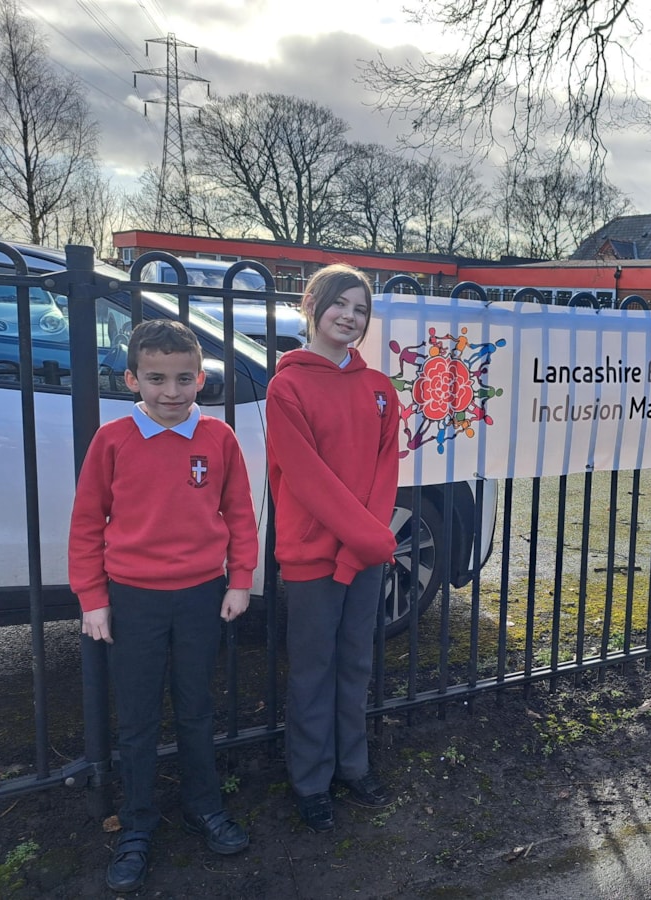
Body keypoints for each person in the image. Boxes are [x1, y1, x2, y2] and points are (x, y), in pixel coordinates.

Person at [69, 319, 256, 893]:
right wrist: (93, 598)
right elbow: (86, 524)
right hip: (133, 599)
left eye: (183, 379)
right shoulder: (113, 440)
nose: (171, 392)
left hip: (201, 594)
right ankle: (137, 825)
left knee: (197, 707)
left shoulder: (220, 439)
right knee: (139, 718)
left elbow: (241, 514)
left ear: (201, 379)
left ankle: (204, 806)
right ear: (132, 379)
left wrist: (240, 579)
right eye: (156, 378)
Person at [266, 263, 399, 833]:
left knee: (357, 663)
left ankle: (353, 765)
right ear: (313, 305)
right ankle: (311, 780)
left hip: (362, 553)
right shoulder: (286, 386)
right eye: (340, 304)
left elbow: (385, 471)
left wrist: (364, 544)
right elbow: (306, 477)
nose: (349, 316)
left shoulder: (380, 389)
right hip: (314, 557)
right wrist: (367, 540)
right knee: (314, 670)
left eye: (361, 309)